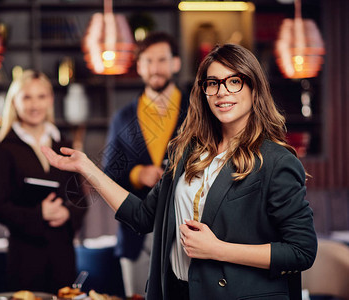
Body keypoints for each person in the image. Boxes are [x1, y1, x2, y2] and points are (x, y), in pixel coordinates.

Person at [42, 43, 318, 300]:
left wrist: (217, 249)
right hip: (178, 292)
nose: (222, 92)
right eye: (213, 83)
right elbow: (142, 217)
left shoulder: (276, 160)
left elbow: (301, 251)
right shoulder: (187, 151)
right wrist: (86, 167)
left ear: (254, 88)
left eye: (234, 82)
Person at [102, 31, 189, 297]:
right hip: (134, 236)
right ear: (139, 67)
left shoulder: (197, 110)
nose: (155, 68)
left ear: (175, 63)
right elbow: (108, 173)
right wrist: (139, 174)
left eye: (162, 60)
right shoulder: (123, 116)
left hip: (185, 233)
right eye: (148, 61)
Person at [0, 70, 87, 293]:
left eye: (41, 97)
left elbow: (80, 198)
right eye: (27, 97)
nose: (35, 105)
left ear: (50, 100)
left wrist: (67, 214)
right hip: (25, 257)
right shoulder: (2, 151)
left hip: (62, 253)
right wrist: (38, 214)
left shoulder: (64, 144)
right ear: (14, 102)